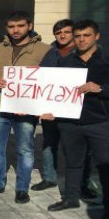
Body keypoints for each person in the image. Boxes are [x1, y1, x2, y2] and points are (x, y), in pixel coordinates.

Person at [47, 20, 109, 219]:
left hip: (102, 122)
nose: (81, 39)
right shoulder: (66, 61)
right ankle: (71, 199)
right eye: (77, 36)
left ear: (96, 36)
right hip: (70, 122)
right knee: (73, 162)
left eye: (86, 35)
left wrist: (101, 89)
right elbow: (54, 90)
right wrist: (49, 109)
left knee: (106, 165)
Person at [0, 11, 51, 204]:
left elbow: (51, 81)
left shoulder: (44, 50)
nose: (15, 30)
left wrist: (35, 106)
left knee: (25, 149)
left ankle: (21, 189)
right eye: (11, 26)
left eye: (20, 26)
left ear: (29, 25)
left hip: (26, 109)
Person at [29, 19, 76, 192]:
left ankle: (80, 182)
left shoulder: (85, 51)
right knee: (49, 143)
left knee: (74, 146)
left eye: (66, 32)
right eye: (58, 33)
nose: (62, 35)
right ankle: (49, 178)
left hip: (73, 108)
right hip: (49, 108)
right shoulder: (48, 52)